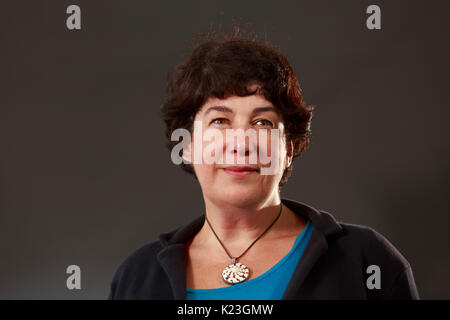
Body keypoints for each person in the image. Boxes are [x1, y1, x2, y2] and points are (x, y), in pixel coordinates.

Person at [108, 30, 419, 300]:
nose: (241, 143)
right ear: (187, 146)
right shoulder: (136, 278)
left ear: (289, 148)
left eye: (262, 122)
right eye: (220, 120)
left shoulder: (366, 260)